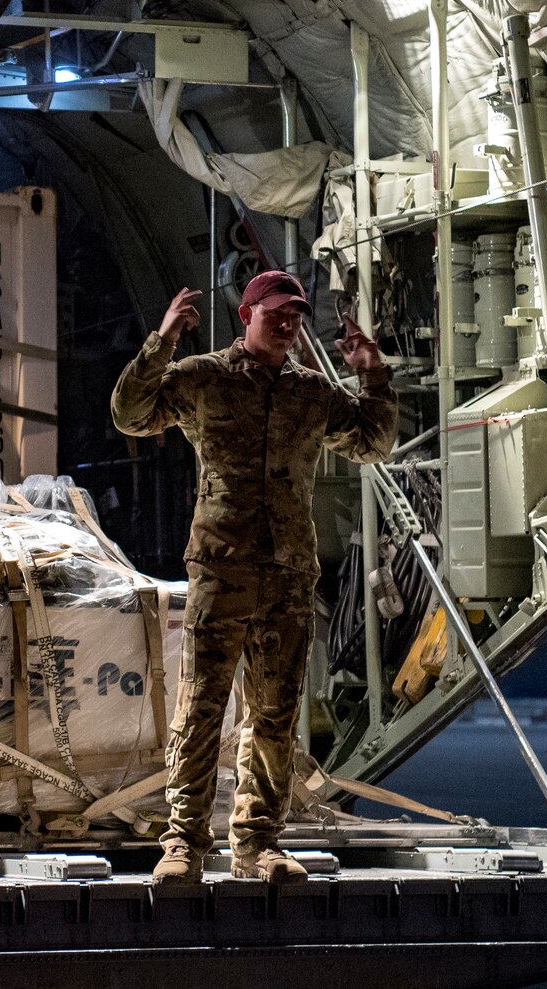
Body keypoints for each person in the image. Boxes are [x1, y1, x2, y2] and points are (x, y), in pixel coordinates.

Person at [111, 270, 396, 883]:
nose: (288, 323)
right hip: (222, 564)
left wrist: (372, 373)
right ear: (247, 315)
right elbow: (131, 416)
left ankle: (258, 844)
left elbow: (372, 443)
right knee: (203, 704)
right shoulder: (203, 378)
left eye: (295, 314)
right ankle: (184, 843)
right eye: (275, 313)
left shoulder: (311, 393)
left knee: (274, 711)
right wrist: (160, 344)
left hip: (289, 571)